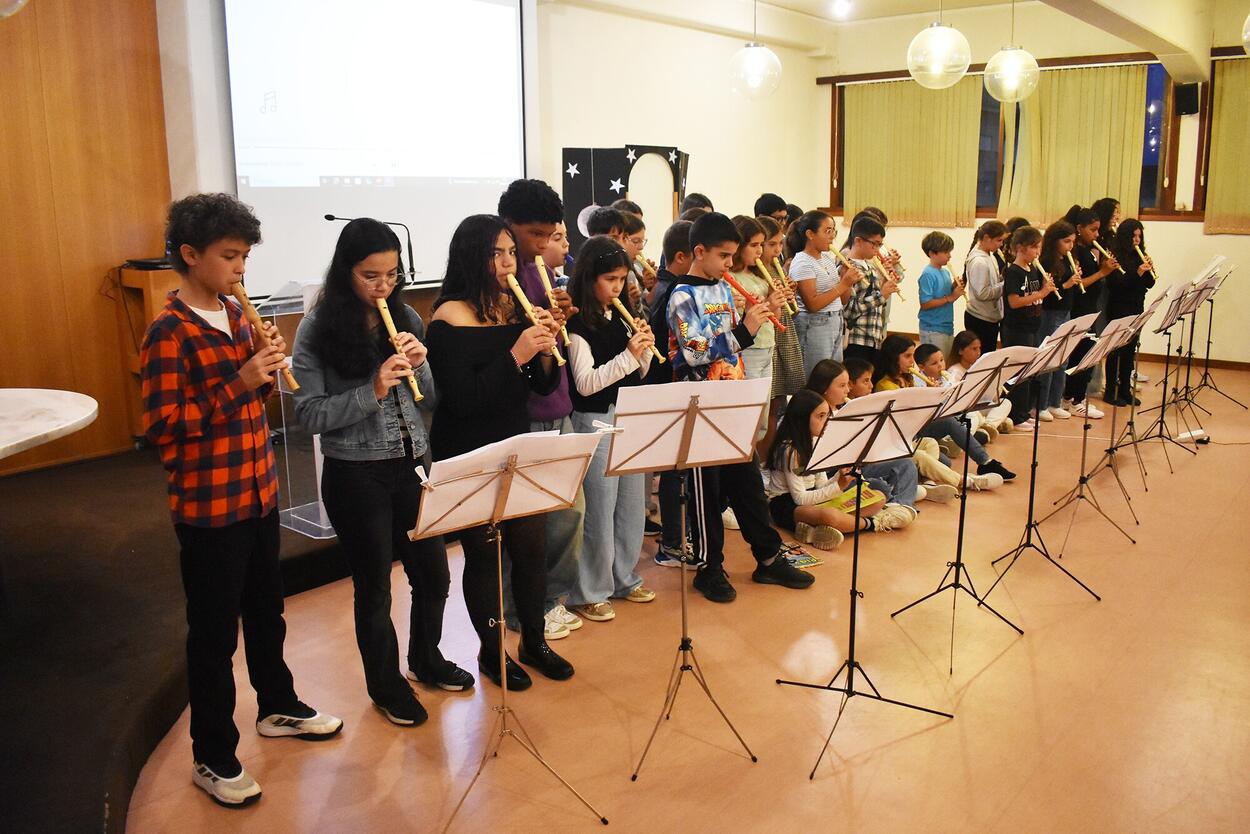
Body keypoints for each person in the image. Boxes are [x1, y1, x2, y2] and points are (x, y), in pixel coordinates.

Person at [142, 193, 342, 808]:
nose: (240, 269)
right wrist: (243, 381)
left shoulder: (235, 311)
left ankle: (276, 705)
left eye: (245, 257)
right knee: (213, 635)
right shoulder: (169, 332)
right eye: (230, 256)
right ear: (189, 254)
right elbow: (164, 427)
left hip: (258, 491)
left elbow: (251, 399)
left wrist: (265, 370)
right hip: (209, 507)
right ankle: (211, 753)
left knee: (266, 611)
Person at [292, 219, 473, 728]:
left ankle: (426, 659)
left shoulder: (406, 315)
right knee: (374, 588)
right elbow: (308, 414)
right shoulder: (317, 328)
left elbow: (430, 400)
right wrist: (371, 389)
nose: (383, 286)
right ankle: (386, 686)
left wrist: (421, 363)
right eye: (370, 276)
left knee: (433, 574)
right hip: (356, 473)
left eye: (392, 275)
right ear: (345, 271)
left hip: (413, 464)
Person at [425, 214, 572, 691]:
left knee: (531, 546)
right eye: (497, 254)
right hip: (468, 445)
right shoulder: (447, 318)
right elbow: (463, 399)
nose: (509, 262)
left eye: (511, 252)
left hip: (514, 439)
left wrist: (546, 350)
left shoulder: (515, 306)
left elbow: (540, 386)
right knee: (484, 554)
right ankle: (492, 652)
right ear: (473, 257)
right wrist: (517, 354)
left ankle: (534, 640)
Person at [666, 211, 815, 602]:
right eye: (724, 256)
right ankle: (709, 567)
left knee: (748, 484)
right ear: (699, 252)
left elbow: (734, 341)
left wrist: (759, 316)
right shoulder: (682, 295)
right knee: (706, 492)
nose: (730, 264)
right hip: (700, 405)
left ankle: (768, 557)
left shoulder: (721, 286)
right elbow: (694, 352)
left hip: (733, 398)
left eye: (733, 256)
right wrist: (745, 328)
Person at [498, 179, 586, 641]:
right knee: (528, 525)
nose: (540, 245)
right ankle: (522, 608)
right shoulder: (499, 277)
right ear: (508, 225)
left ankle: (551, 599)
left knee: (569, 512)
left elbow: (551, 341)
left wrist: (561, 315)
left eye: (549, 234)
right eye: (534, 234)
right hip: (526, 413)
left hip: (559, 403)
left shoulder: (542, 272)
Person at [564, 236, 657, 622]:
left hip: (628, 414)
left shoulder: (620, 315)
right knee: (599, 513)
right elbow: (586, 384)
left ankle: (623, 577)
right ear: (590, 278)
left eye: (622, 279)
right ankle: (590, 590)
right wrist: (629, 355)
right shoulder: (576, 324)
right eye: (610, 279)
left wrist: (644, 351)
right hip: (595, 422)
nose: (618, 287)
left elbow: (637, 373)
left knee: (631, 507)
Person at [765, 390, 916, 550]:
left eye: (827, 416)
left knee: (878, 497)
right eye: (820, 416)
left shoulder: (815, 442)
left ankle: (816, 530)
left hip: (814, 499)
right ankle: (874, 523)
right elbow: (800, 499)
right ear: (801, 419)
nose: (827, 421)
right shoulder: (790, 450)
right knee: (829, 515)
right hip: (787, 504)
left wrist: (840, 477)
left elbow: (821, 485)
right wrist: (839, 486)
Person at [805, 359, 957, 505]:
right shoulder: (815, 414)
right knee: (882, 485)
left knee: (910, 463)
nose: (847, 390)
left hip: (862, 463)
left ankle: (905, 499)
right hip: (837, 474)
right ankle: (907, 494)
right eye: (842, 385)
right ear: (825, 387)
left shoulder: (842, 409)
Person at [841, 357, 1002, 493]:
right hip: (880, 453)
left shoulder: (904, 381)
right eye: (866, 381)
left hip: (899, 440)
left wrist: (932, 396)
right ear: (850, 384)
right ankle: (965, 481)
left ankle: (927, 483)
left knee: (932, 445)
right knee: (926, 459)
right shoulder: (870, 397)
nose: (871, 385)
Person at [875, 334, 1015, 481]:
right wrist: (929, 396)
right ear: (893, 358)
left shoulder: (907, 379)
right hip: (902, 436)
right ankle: (940, 473)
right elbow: (908, 417)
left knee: (945, 456)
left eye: (912, 355)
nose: (912, 361)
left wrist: (934, 395)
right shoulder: (885, 386)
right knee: (944, 457)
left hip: (915, 431)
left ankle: (985, 461)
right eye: (907, 356)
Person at [646, 220, 695, 568]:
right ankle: (673, 543)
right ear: (683, 257)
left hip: (674, 387)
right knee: (675, 470)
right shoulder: (672, 291)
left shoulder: (672, 286)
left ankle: (680, 538)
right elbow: (683, 349)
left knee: (681, 470)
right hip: (669, 387)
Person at [1061, 204, 1119, 419]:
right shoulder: (1077, 252)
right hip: (1080, 309)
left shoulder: (1089, 250)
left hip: (1091, 308)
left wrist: (1104, 266)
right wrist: (1103, 271)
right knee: (1079, 356)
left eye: (1097, 230)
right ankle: (1072, 398)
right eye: (1092, 230)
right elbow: (1080, 284)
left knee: (1088, 354)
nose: (1096, 234)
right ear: (1079, 228)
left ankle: (1078, 396)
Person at [786, 210, 860, 378]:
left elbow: (842, 300)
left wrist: (847, 280)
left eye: (834, 231)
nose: (832, 236)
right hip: (815, 324)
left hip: (835, 319)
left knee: (833, 376)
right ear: (810, 234)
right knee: (816, 377)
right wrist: (843, 284)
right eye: (827, 231)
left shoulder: (827, 258)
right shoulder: (802, 262)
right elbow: (812, 304)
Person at [757, 215, 805, 462]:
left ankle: (768, 461)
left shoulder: (776, 267)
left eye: (780, 243)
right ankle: (759, 460)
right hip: (765, 341)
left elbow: (789, 310)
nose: (778, 250)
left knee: (777, 404)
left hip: (783, 336)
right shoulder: (755, 273)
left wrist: (788, 295)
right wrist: (772, 298)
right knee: (763, 409)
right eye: (772, 244)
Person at [1000, 225, 1055, 431]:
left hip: (1031, 326)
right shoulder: (1013, 272)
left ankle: (1023, 412)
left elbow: (1034, 297)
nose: (1037, 252)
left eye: (1039, 247)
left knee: (1027, 373)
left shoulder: (1032, 269)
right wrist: (1041, 293)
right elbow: (1014, 302)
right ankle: (1015, 416)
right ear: (1020, 248)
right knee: (1017, 374)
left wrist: (1044, 290)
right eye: (1034, 247)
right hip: (1016, 329)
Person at [1105, 219, 1155, 406]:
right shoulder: (1116, 256)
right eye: (1133, 236)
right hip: (1119, 308)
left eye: (1139, 236)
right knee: (1115, 351)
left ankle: (1125, 390)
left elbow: (1150, 284)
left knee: (1129, 351)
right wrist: (1138, 273)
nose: (1137, 240)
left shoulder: (1140, 256)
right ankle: (1110, 391)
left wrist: (1149, 270)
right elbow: (1117, 285)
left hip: (1136, 307)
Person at [841, 215, 900, 366]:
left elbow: (874, 301)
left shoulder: (870, 266)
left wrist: (885, 282)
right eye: (874, 244)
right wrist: (882, 295)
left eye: (880, 244)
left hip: (873, 338)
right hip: (856, 339)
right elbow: (848, 310)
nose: (877, 249)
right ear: (858, 241)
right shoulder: (847, 268)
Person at [728, 215, 776, 382]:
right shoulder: (731, 278)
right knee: (751, 395)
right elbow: (736, 320)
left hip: (768, 345)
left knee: (765, 397)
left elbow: (774, 317)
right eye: (754, 245)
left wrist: (775, 299)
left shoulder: (760, 276)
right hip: (749, 348)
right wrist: (769, 304)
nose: (760, 251)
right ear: (739, 246)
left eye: (761, 245)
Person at [947, 330, 1013, 433]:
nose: (978, 353)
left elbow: (994, 399)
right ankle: (989, 424)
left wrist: (996, 382)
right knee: (975, 416)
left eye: (979, 348)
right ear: (960, 351)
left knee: (1006, 403)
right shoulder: (955, 371)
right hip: (966, 410)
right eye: (974, 349)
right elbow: (955, 401)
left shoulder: (979, 368)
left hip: (978, 406)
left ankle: (988, 425)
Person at [963, 220, 1009, 350]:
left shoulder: (990, 256)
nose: (1001, 244)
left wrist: (1003, 278)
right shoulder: (979, 262)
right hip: (980, 318)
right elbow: (982, 293)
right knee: (982, 357)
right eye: (999, 240)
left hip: (989, 317)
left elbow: (992, 282)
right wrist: (1005, 286)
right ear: (987, 238)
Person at [917, 231, 964, 356]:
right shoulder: (928, 274)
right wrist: (951, 297)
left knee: (946, 362)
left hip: (946, 326)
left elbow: (944, 294)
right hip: (932, 329)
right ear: (932, 253)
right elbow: (925, 304)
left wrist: (954, 287)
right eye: (946, 252)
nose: (949, 256)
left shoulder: (945, 272)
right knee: (935, 364)